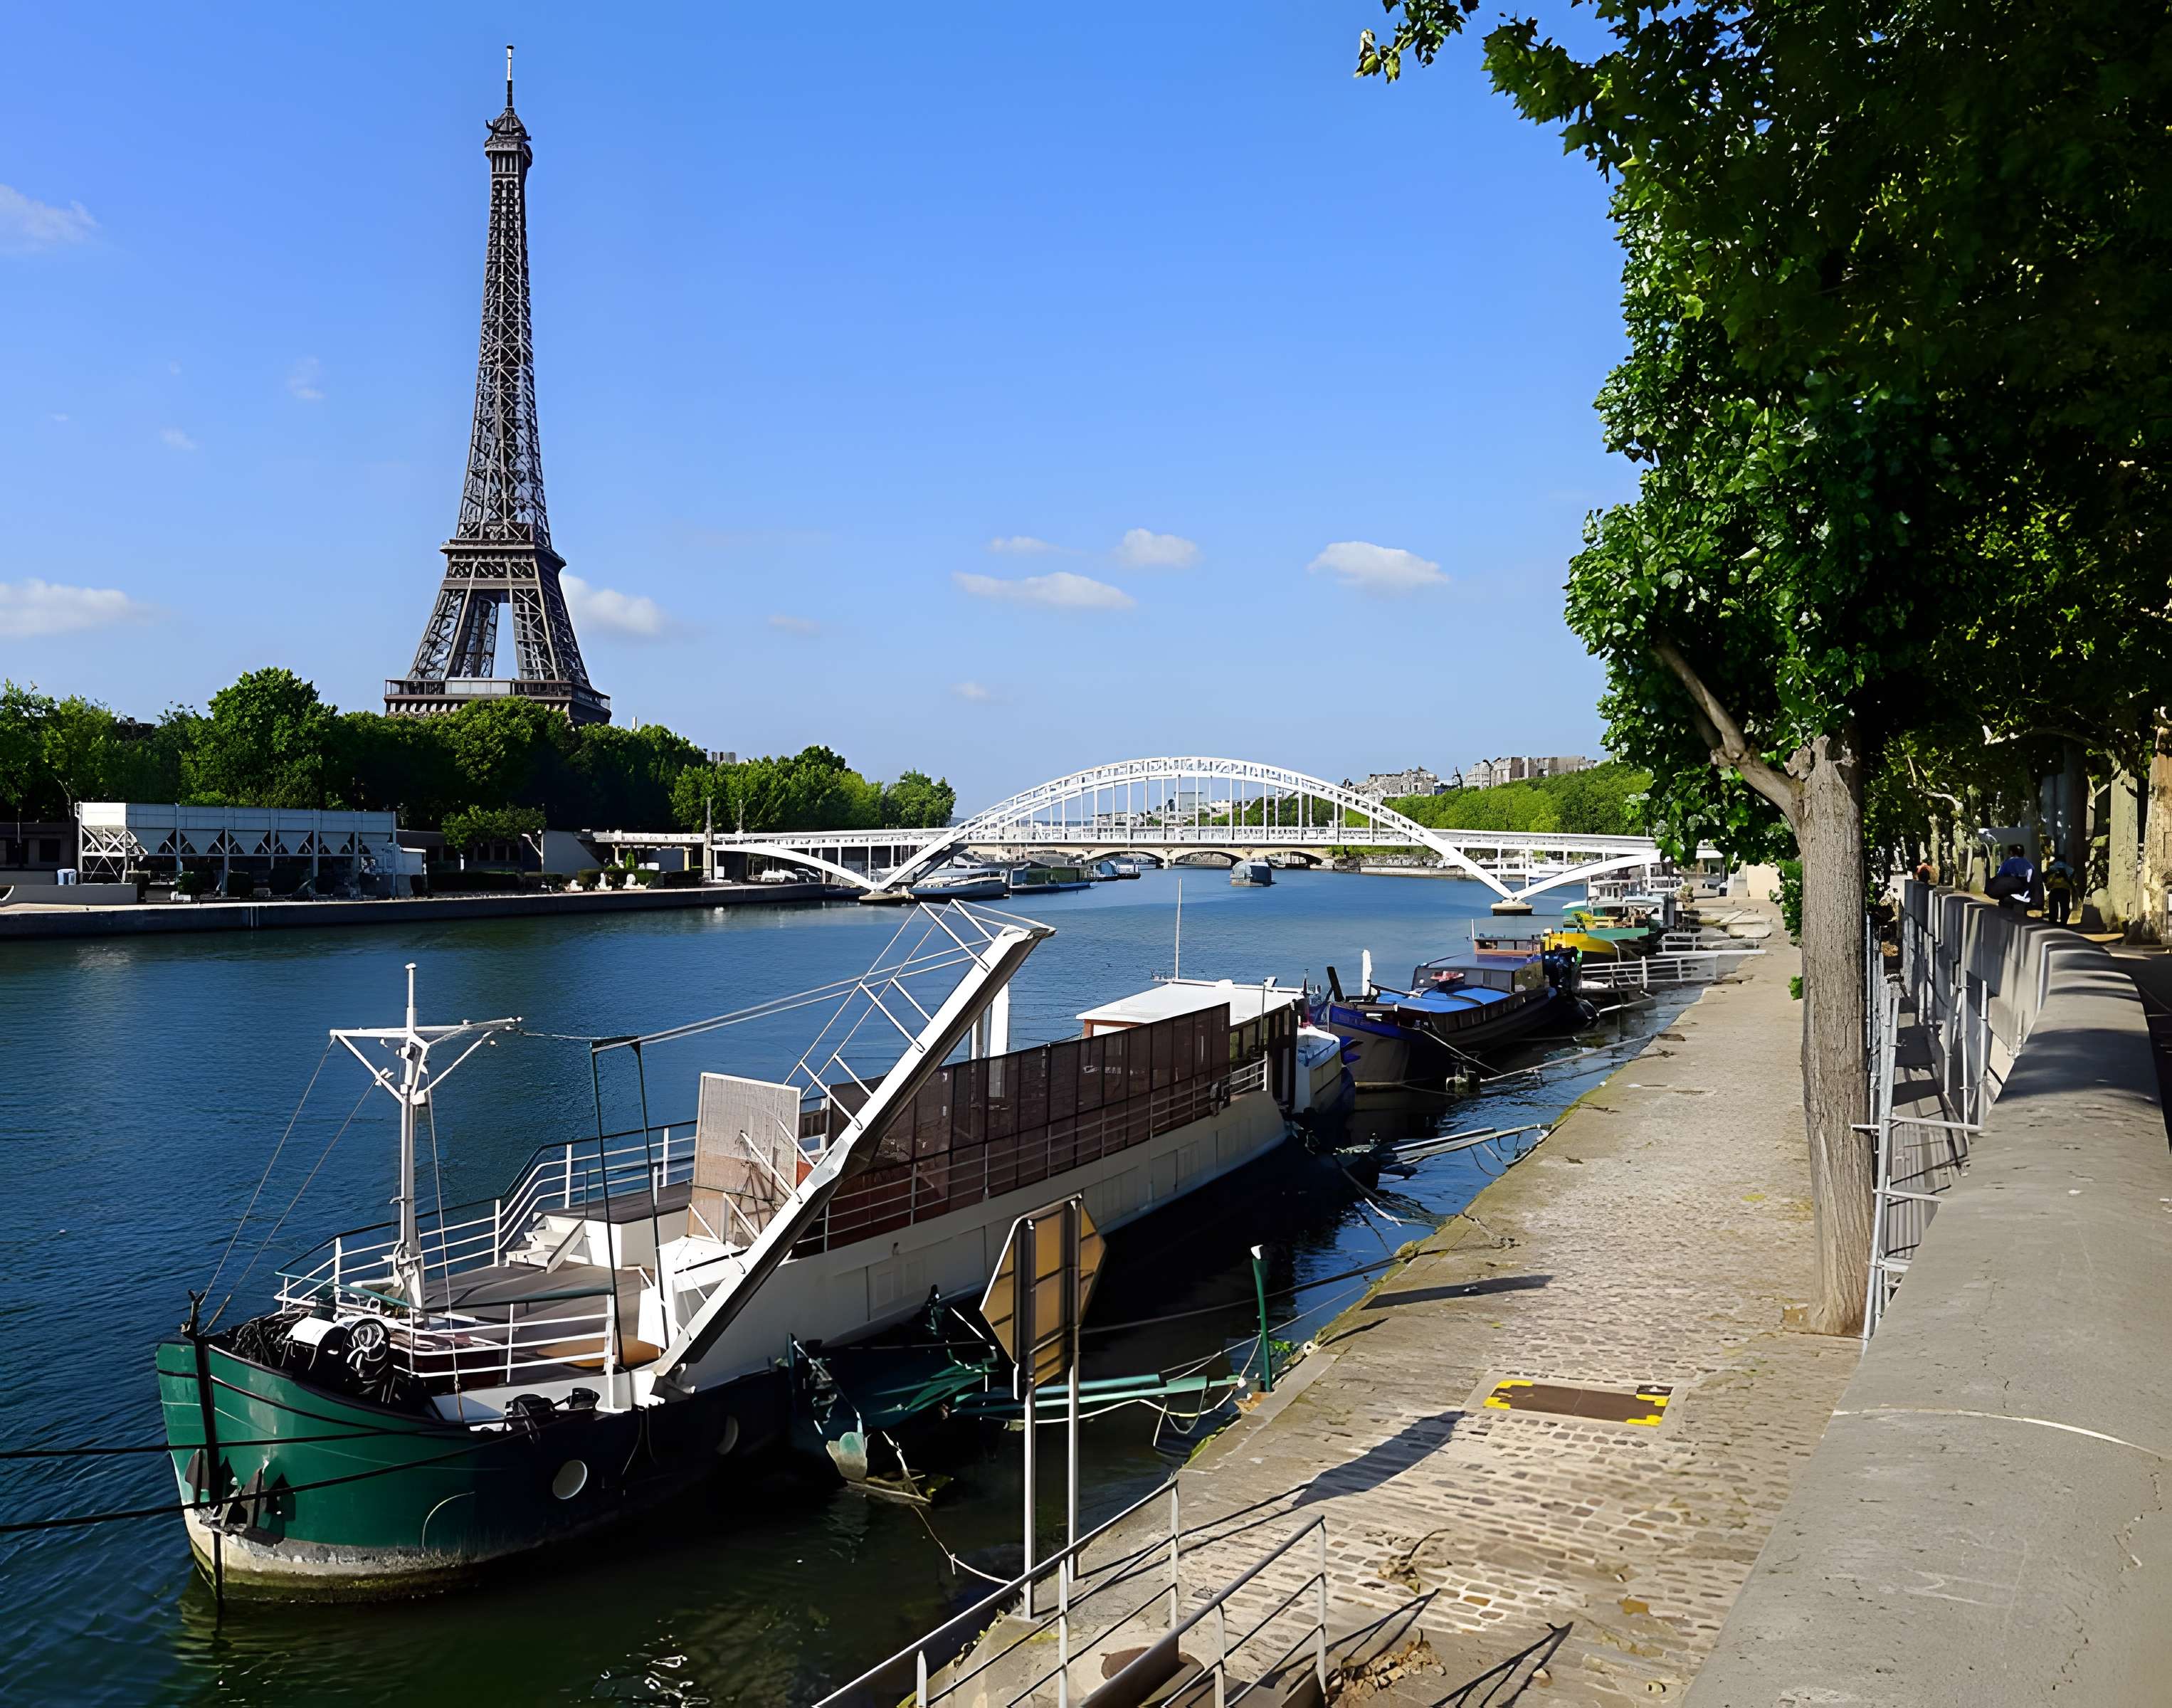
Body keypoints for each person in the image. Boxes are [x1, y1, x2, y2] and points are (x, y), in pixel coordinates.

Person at [1988, 843, 2036, 912]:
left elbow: (1999, 877)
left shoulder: (2008, 863)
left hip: (2012, 897)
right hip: (2027, 898)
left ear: (2011, 852)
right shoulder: (2029, 865)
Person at [2043, 855, 2076, 926]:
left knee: (2054, 908)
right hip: (2064, 891)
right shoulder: (2069, 870)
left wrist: (2054, 877)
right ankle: (2063, 922)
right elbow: (2071, 881)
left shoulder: (2052, 870)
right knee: (2064, 908)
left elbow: (2048, 886)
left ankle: (2054, 921)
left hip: (2055, 891)